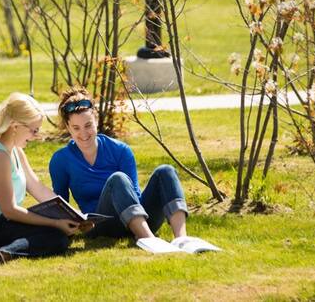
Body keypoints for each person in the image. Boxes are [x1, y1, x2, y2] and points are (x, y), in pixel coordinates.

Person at [48, 87, 218, 253]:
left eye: (88, 125)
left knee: (165, 171)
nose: (83, 133)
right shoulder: (61, 160)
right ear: (68, 128)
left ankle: (181, 239)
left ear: (96, 121)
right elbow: (62, 205)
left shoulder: (120, 150)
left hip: (139, 218)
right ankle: (149, 240)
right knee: (117, 179)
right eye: (76, 128)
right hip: (101, 226)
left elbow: (135, 194)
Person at [0, 92, 81, 264]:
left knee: (61, 233)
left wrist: (75, 216)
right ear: (15, 126)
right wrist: (55, 223)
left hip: (3, 222)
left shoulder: (15, 150)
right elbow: (9, 210)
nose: (35, 136)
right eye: (34, 130)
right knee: (57, 235)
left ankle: (8, 250)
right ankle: (6, 253)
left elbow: (37, 187)